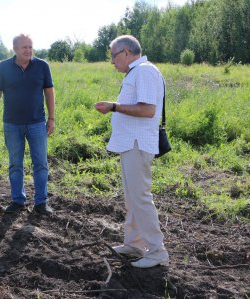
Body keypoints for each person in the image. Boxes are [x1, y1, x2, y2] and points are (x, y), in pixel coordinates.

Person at [94, 35, 169, 268]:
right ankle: (135, 243)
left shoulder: (144, 71)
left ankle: (157, 251)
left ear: (126, 52)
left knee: (140, 198)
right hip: (131, 144)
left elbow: (147, 110)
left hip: (137, 144)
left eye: (113, 56)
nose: (112, 61)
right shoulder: (137, 72)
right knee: (132, 198)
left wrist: (114, 107)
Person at [0, 33, 55, 215]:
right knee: (15, 164)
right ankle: (18, 200)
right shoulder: (3, 67)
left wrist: (51, 118)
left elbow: (49, 92)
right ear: (15, 49)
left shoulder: (42, 66)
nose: (28, 50)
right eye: (24, 47)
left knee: (40, 163)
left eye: (30, 47)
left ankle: (41, 202)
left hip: (37, 123)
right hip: (12, 124)